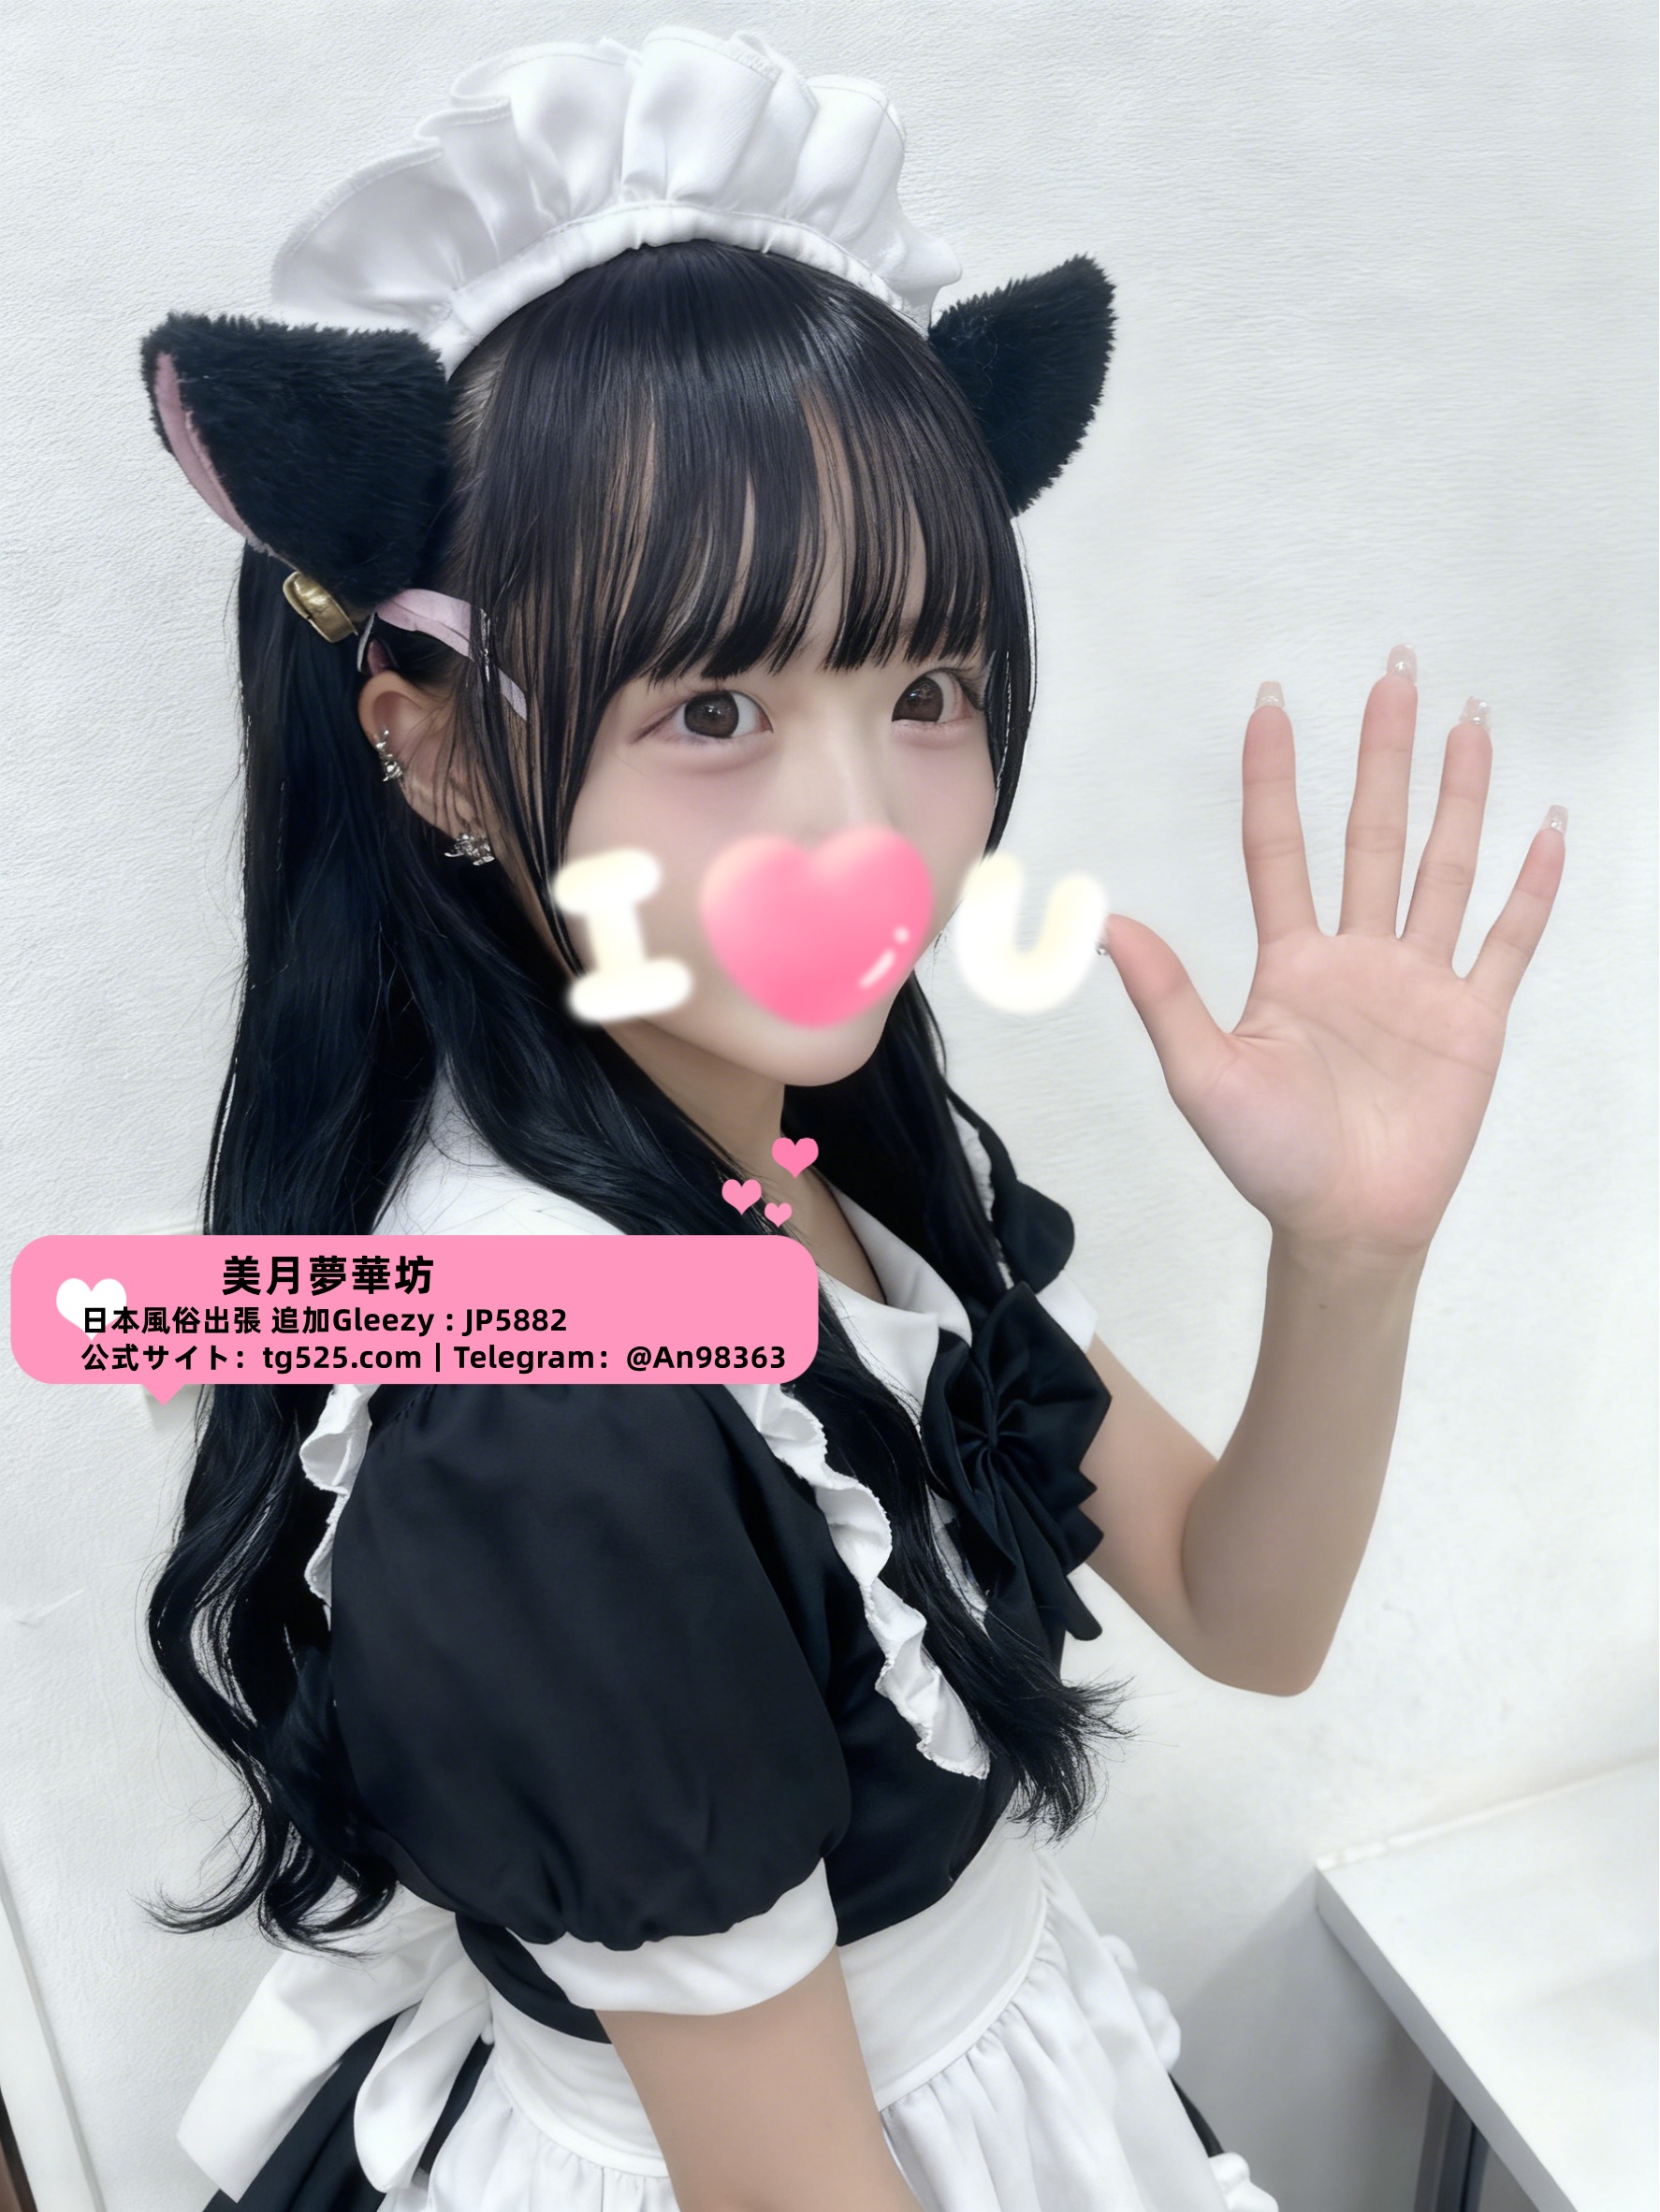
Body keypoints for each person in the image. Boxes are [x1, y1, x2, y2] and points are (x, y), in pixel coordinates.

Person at [138, 28, 1562, 2212]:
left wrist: (1346, 1256)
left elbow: (1237, 1603)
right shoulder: (557, 1407)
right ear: (428, 744)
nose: (863, 828)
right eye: (714, 705)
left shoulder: (803, 1160)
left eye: (922, 691)